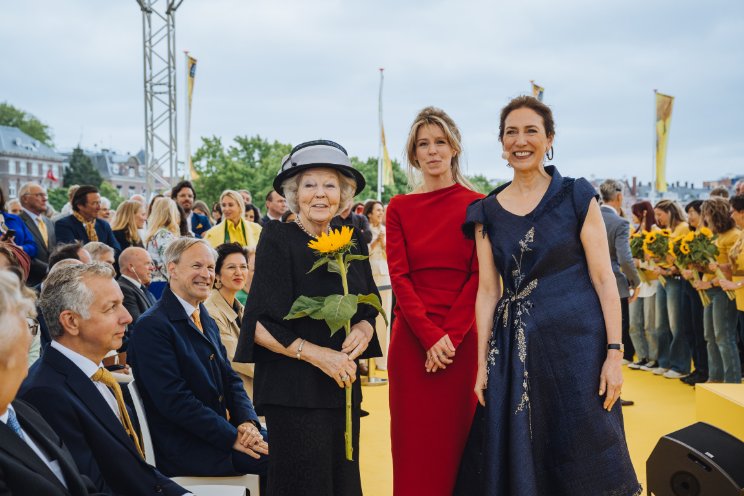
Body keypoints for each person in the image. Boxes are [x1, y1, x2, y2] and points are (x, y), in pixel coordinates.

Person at [465, 96, 639, 495]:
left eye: (531, 131)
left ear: (549, 139)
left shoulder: (576, 195)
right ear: (501, 142)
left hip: (581, 348)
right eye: (511, 132)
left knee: (589, 442)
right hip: (515, 352)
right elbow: (488, 291)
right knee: (527, 449)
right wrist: (481, 365)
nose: (520, 140)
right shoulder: (485, 212)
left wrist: (615, 352)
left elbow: (603, 277)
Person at [235, 140, 381, 496]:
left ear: (343, 195)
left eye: (330, 185)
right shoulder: (277, 238)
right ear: (294, 193)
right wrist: (320, 356)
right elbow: (258, 324)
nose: (320, 194)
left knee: (343, 484)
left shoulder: (353, 241)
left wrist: (364, 325)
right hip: (294, 392)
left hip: (343, 391)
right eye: (309, 185)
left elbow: (370, 301)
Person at [19, 263, 188, 495]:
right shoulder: (45, 393)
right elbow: (92, 488)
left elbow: (135, 470)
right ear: (71, 321)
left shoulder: (97, 375)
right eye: (111, 308)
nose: (127, 317)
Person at [385, 107, 483, 496]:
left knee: (460, 448)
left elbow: (479, 277)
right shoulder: (399, 208)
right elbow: (400, 277)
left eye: (440, 142)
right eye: (423, 144)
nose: (432, 151)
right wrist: (429, 336)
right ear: (413, 155)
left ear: (454, 147)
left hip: (462, 341)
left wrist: (451, 337)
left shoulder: (478, 205)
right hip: (411, 341)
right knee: (413, 451)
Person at [128, 238, 268, 482]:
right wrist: (233, 437)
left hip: (220, 433)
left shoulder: (202, 314)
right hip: (188, 446)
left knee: (299, 447)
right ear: (172, 269)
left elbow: (231, 379)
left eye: (211, 267)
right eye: (197, 266)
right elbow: (175, 401)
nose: (206, 274)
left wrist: (247, 422)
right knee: (289, 460)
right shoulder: (152, 326)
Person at [0, 271, 108, 496]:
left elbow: (81, 486)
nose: (32, 339)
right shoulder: (40, 392)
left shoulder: (22, 411)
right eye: (29, 325)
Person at [693, 197, 741, 383]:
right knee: (710, 336)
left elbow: (732, 270)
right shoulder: (716, 236)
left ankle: (731, 381)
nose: (705, 220)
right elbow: (714, 266)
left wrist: (710, 282)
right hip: (711, 291)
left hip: (723, 292)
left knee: (724, 337)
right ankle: (715, 377)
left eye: (706, 216)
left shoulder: (734, 235)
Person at [203, 242, 254, 397]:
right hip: (236, 397)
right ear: (217, 274)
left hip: (254, 391)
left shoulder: (239, 308)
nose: (239, 272)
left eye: (243, 267)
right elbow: (235, 358)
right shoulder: (211, 311)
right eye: (231, 267)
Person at [599, 180, 641, 365]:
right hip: (615, 284)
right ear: (619, 197)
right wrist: (635, 282)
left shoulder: (586, 218)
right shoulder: (620, 223)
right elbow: (624, 258)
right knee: (617, 333)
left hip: (588, 283)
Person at [651, 200, 691, 378]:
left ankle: (680, 365)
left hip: (675, 279)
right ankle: (664, 362)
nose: (657, 218)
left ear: (670, 211)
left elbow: (681, 257)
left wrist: (669, 267)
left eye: (660, 214)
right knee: (661, 323)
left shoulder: (683, 227)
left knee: (676, 324)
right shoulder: (666, 231)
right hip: (664, 278)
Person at [679, 200, 709, 385]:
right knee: (689, 328)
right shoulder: (692, 235)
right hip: (688, 284)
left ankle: (704, 370)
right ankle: (697, 368)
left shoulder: (706, 236)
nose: (689, 216)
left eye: (692, 212)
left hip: (700, 285)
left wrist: (696, 268)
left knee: (700, 330)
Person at [627, 200, 659, 371]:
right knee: (634, 323)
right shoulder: (635, 233)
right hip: (638, 283)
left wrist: (641, 263)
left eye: (635, 212)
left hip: (652, 281)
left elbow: (657, 261)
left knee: (649, 324)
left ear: (644, 213)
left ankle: (654, 358)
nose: (633, 216)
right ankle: (642, 356)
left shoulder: (655, 232)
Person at [54, 185, 121, 258]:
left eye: (99, 203)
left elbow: (116, 249)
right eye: (95, 203)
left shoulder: (104, 225)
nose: (99, 207)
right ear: (80, 205)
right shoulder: (64, 225)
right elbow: (70, 254)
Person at [363, 200, 391, 370]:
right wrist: (375, 242)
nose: (381, 213)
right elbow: (364, 254)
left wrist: (383, 243)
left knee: (384, 319)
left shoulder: (386, 231)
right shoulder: (365, 232)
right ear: (369, 214)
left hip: (385, 278)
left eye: (382, 210)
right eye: (377, 210)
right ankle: (365, 361)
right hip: (369, 278)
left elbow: (392, 256)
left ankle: (383, 361)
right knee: (367, 319)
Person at [719, 195, 744, 366]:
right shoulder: (741, 234)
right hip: (741, 299)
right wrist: (725, 267)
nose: (731, 216)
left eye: (733, 212)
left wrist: (736, 284)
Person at [18, 182, 56, 286]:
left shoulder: (49, 222)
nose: (45, 199)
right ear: (25, 198)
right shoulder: (17, 222)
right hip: (30, 285)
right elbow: (22, 254)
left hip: (52, 284)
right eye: (39, 195)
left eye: (45, 195)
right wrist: (49, 269)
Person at [145, 197, 181, 299]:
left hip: (155, 283)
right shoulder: (164, 235)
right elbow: (170, 262)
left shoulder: (155, 234)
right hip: (164, 285)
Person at [117, 247, 157, 324]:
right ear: (131, 267)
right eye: (147, 263)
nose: (152, 268)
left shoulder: (142, 288)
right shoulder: (123, 289)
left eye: (151, 263)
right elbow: (138, 324)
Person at [1, 186, 38, 259]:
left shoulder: (15, 219)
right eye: (14, 210)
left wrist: (19, 248)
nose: (18, 212)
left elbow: (33, 247)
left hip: (19, 266)